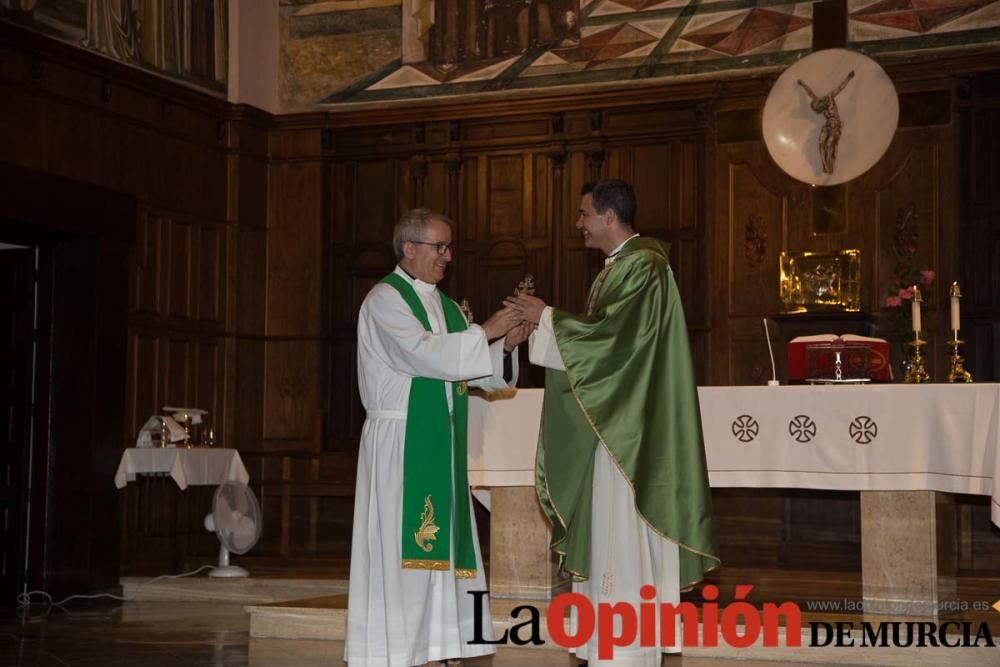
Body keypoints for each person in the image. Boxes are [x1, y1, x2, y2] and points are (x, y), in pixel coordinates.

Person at [505, 180, 720, 666]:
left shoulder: (642, 266)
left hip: (629, 429)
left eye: (584, 214)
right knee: (613, 528)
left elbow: (615, 344)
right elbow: (606, 343)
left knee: (622, 528)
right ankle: (608, 636)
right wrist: (546, 326)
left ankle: (626, 645)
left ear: (609, 216)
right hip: (619, 417)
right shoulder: (623, 268)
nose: (578, 224)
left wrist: (549, 317)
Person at [347, 208, 530, 666]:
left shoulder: (444, 306)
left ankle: (441, 646)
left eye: (449, 247)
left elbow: (469, 373)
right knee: (403, 554)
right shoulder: (385, 300)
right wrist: (486, 330)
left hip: (437, 445)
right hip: (402, 441)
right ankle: (397, 650)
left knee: (443, 553)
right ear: (409, 248)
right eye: (439, 247)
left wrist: (504, 344)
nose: (447, 257)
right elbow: (425, 355)